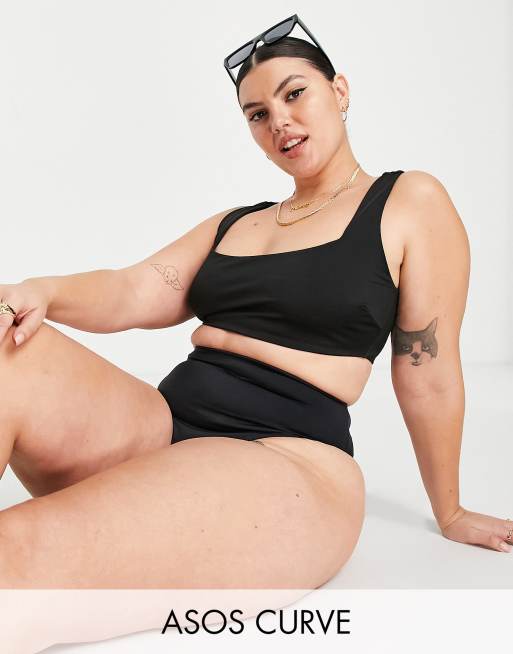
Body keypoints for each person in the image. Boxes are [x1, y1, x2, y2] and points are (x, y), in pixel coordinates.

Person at [0, 14, 511, 597]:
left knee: (21, 545)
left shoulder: (407, 201)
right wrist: (41, 291)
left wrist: (450, 511)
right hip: (160, 425)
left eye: (295, 94)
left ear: (340, 92)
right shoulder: (236, 224)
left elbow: (429, 375)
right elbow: (134, 289)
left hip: (283, 455)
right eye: (257, 114)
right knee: (7, 341)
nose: (279, 122)